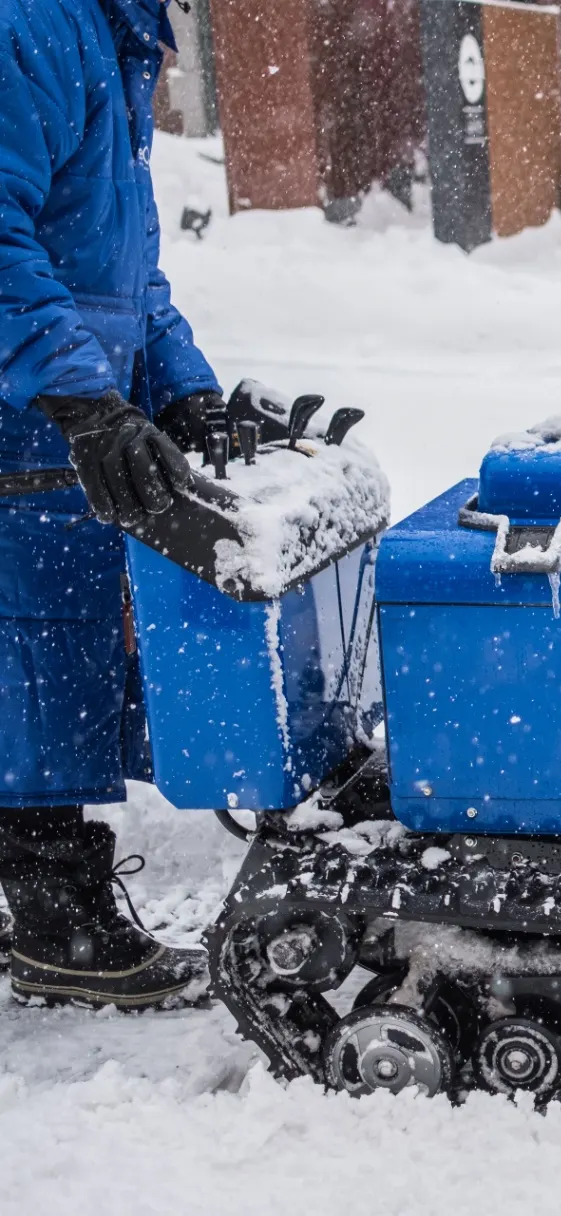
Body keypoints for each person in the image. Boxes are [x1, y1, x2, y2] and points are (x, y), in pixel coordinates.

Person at [0, 0, 241, 1008]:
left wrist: (180, 384)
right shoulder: (31, 24)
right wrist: (82, 398)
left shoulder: (111, 31)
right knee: (27, 652)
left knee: (60, 650)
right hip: (26, 406)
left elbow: (123, 267)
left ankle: (53, 900)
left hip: (59, 402)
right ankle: (53, 917)